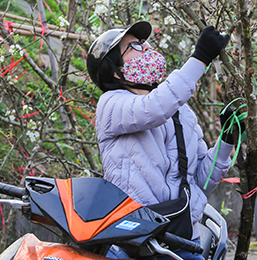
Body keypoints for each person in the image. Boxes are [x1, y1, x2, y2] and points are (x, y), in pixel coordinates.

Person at [86, 21, 237, 260]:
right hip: (135, 243)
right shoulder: (111, 105)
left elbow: (201, 181)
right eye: (134, 46)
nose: (146, 48)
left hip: (185, 241)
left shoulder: (182, 113)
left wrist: (226, 142)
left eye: (144, 43)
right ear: (114, 70)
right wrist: (200, 58)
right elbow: (153, 108)